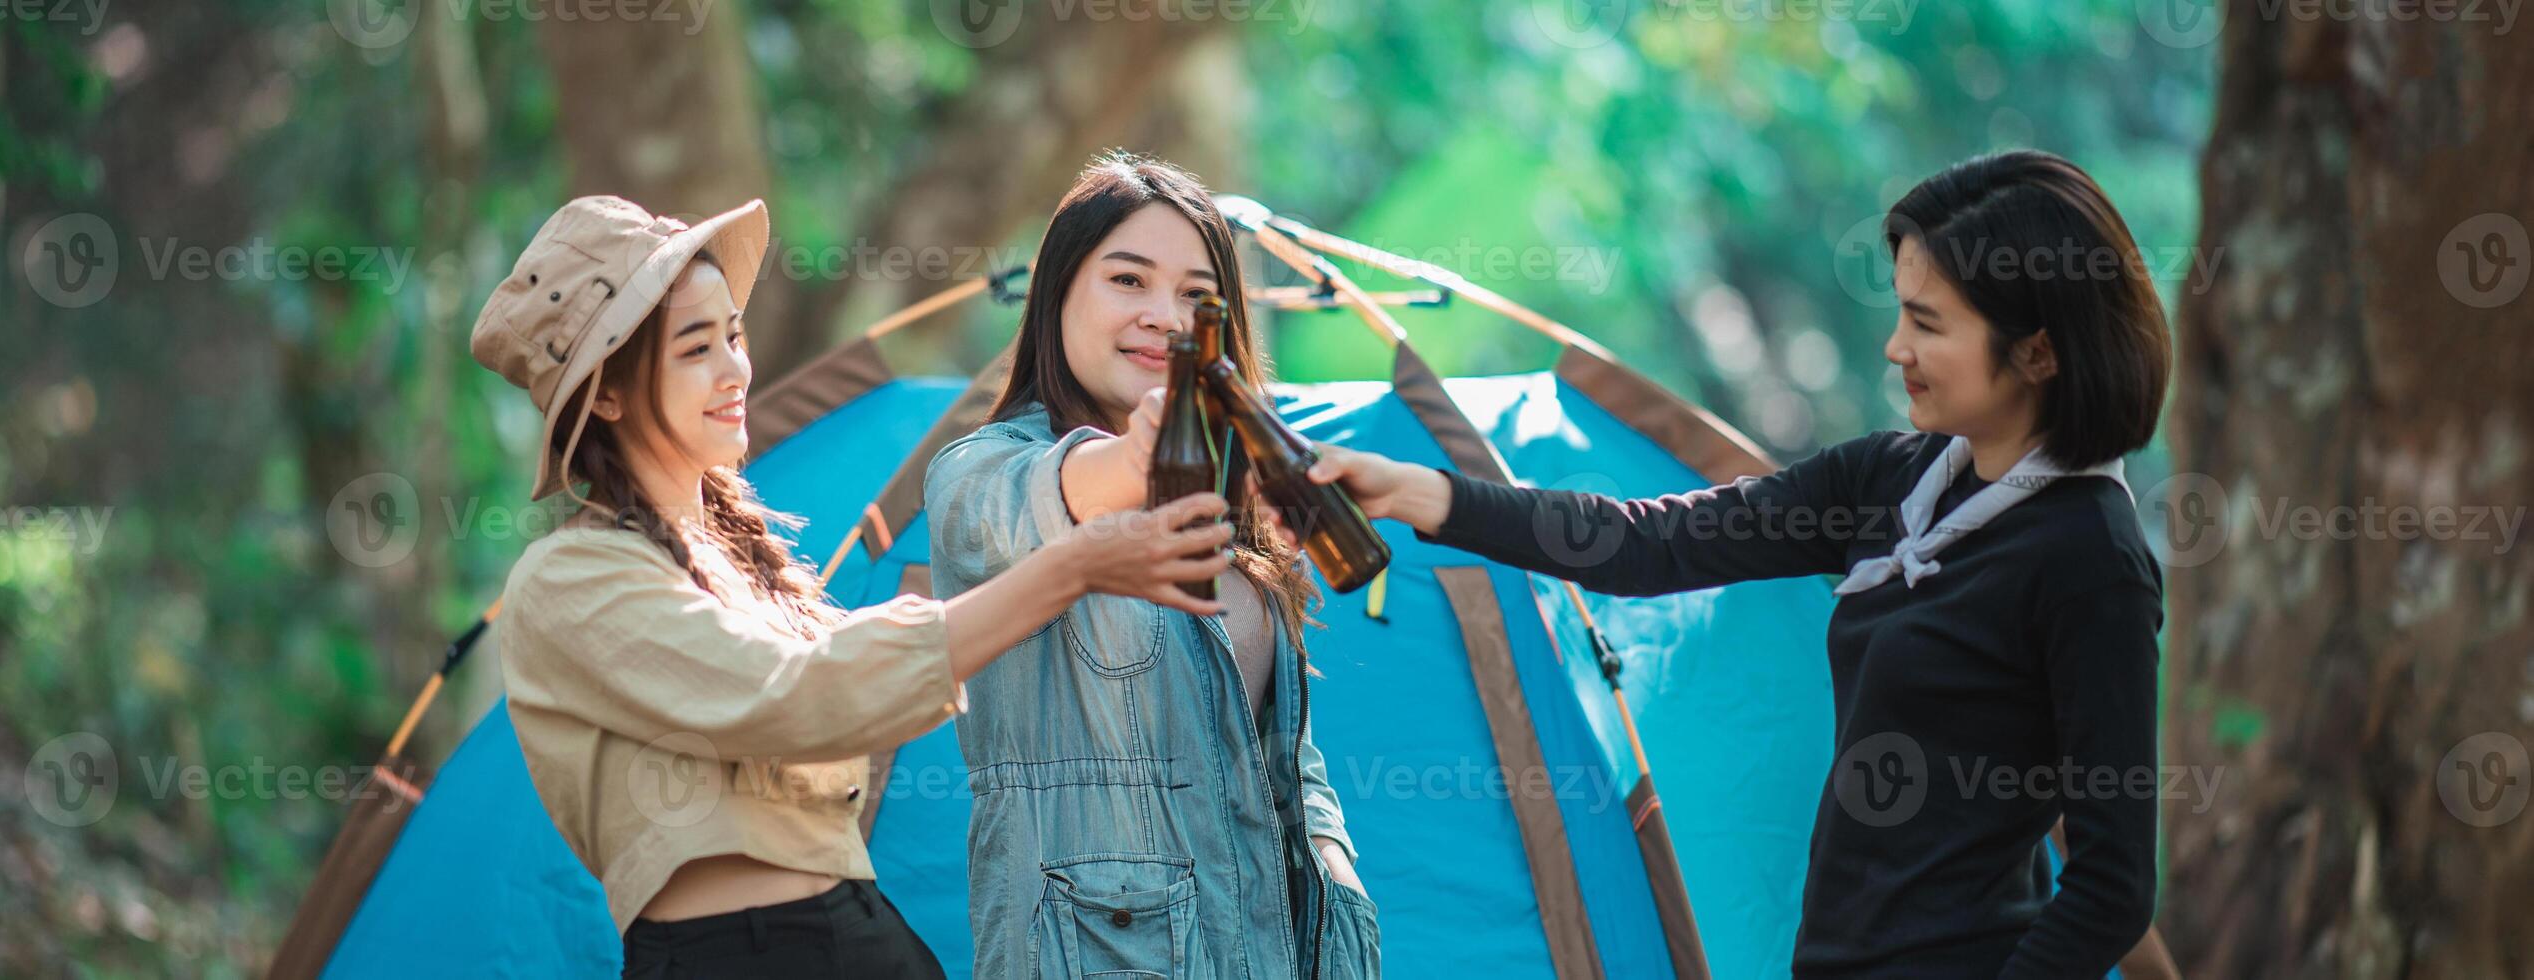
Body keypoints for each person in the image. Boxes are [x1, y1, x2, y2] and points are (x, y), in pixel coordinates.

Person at [1295, 150, 2171, 979]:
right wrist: (1424, 493)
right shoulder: (1888, 479)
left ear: (2040, 351)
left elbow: (2112, 884)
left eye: (1927, 323)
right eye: (1900, 312)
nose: (1893, 347)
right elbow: (1647, 541)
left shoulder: (2087, 557)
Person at [470, 195, 1233, 978]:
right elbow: (796, 697)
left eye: (733, 335)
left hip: (860, 933)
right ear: (605, 394)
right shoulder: (571, 578)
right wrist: (1072, 565)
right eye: (695, 348)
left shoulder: (736, 554)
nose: (735, 369)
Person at [923, 154, 1381, 979]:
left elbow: (1279, 746)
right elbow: (1061, 490)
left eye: (1196, 298)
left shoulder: (1235, 499)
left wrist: (1329, 853)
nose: (1164, 316)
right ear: (1058, 293)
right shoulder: (977, 475)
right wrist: (1146, 450)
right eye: (1128, 280)